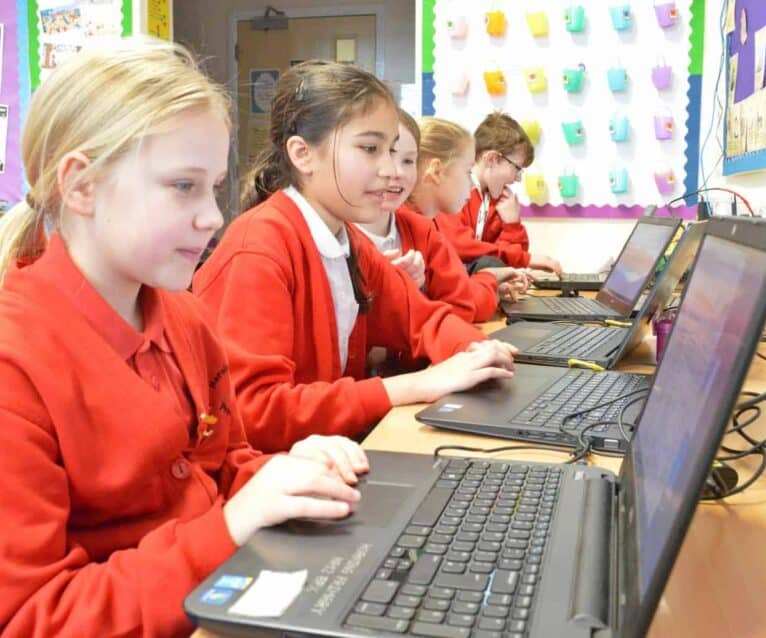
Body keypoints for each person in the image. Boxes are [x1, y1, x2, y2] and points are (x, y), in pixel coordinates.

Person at [0, 40, 370, 638]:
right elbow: (31, 618)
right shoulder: (15, 364)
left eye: (213, 187)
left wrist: (287, 474)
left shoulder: (185, 316)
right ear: (82, 186)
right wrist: (230, 527)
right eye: (182, 187)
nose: (212, 218)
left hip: (217, 598)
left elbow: (219, 465)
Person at [194, 60, 517, 453]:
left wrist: (479, 352)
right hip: (268, 482)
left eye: (392, 151)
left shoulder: (344, 239)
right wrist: (411, 386)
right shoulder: (260, 246)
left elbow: (421, 318)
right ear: (303, 155)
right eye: (370, 149)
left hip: (321, 459)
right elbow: (255, 412)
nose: (388, 169)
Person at [357, 112, 531, 325]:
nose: (394, 172)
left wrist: (490, 281)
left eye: (409, 161)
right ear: (436, 170)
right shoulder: (403, 225)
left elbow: (457, 302)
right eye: (467, 172)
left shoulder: (421, 227)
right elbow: (461, 306)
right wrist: (489, 281)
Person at [435, 112, 563, 275]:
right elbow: (460, 246)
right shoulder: (456, 191)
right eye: (516, 168)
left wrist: (512, 224)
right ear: (492, 159)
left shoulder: (495, 200)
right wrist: (526, 259)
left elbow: (503, 263)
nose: (517, 179)